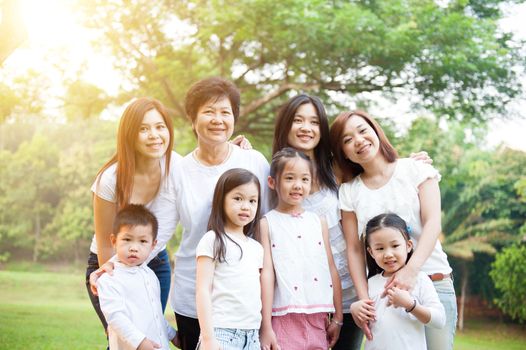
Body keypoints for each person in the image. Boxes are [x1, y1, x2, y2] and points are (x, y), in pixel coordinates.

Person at [271, 94, 432, 350]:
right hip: (296, 301)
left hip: (349, 298)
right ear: (285, 126)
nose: (306, 127)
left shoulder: (338, 170)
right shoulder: (271, 174)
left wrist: (410, 164)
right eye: (298, 120)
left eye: (314, 122)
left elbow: (379, 180)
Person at [330, 110, 457, 350]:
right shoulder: (349, 192)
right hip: (384, 292)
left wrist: (411, 270)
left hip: (433, 281)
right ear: (343, 152)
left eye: (362, 130)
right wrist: (364, 297)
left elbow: (433, 224)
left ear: (376, 130)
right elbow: (355, 250)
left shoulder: (415, 169)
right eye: (347, 140)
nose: (358, 140)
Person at [169, 77, 270, 350]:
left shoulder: (253, 161)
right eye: (209, 112)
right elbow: (162, 229)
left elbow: (269, 225)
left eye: (225, 112)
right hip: (193, 295)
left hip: (244, 303)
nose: (218, 119)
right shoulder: (178, 170)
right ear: (193, 119)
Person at [86, 97, 180, 335]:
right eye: (143, 129)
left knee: (153, 337)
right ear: (130, 134)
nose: (154, 135)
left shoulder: (177, 166)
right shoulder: (110, 179)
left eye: (160, 127)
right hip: (110, 265)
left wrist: (235, 148)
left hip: (155, 263)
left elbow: (210, 166)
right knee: (125, 339)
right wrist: (112, 279)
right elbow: (108, 247)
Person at [259, 147, 343, 350]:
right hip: (283, 317)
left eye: (304, 179)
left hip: (318, 317)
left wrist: (338, 317)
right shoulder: (267, 223)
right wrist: (266, 326)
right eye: (289, 178)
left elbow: (330, 268)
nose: (298, 185)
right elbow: (267, 273)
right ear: (272, 182)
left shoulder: (318, 222)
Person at [353, 213, 445, 350]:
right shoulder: (370, 284)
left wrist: (410, 305)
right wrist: (355, 310)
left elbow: (439, 320)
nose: (388, 254)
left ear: (408, 246)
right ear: (371, 252)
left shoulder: (420, 280)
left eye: (395, 245)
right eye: (380, 248)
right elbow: (367, 323)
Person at [195, 169, 264, 350]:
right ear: (221, 200)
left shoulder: (256, 248)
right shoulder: (213, 240)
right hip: (220, 333)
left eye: (252, 201)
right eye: (238, 198)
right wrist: (208, 338)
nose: (245, 206)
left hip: (251, 335)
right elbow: (202, 290)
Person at [97, 204, 179, 350]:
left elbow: (155, 314)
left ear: (153, 245)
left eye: (142, 241)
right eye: (127, 239)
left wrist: (172, 335)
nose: (134, 247)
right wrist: (140, 342)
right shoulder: (109, 279)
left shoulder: (150, 276)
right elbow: (116, 317)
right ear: (114, 241)